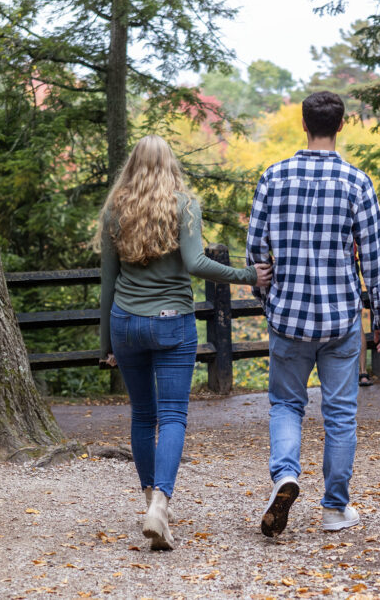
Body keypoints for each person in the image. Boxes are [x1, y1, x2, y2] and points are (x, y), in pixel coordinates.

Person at [95, 135, 271, 551]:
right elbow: (195, 263)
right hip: (171, 323)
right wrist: (248, 276)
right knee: (172, 416)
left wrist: (106, 342)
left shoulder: (115, 209)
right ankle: (159, 505)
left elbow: (107, 283)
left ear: (132, 165)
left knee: (142, 415)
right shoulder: (184, 204)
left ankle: (150, 504)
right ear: (170, 164)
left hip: (125, 323)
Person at [246, 91, 380, 536]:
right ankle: (334, 508)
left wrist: (266, 296)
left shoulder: (273, 177)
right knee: (341, 414)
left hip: (288, 317)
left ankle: (285, 476)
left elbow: (257, 253)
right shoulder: (356, 182)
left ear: (304, 124)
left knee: (287, 404)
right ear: (341, 126)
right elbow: (374, 255)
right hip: (340, 317)